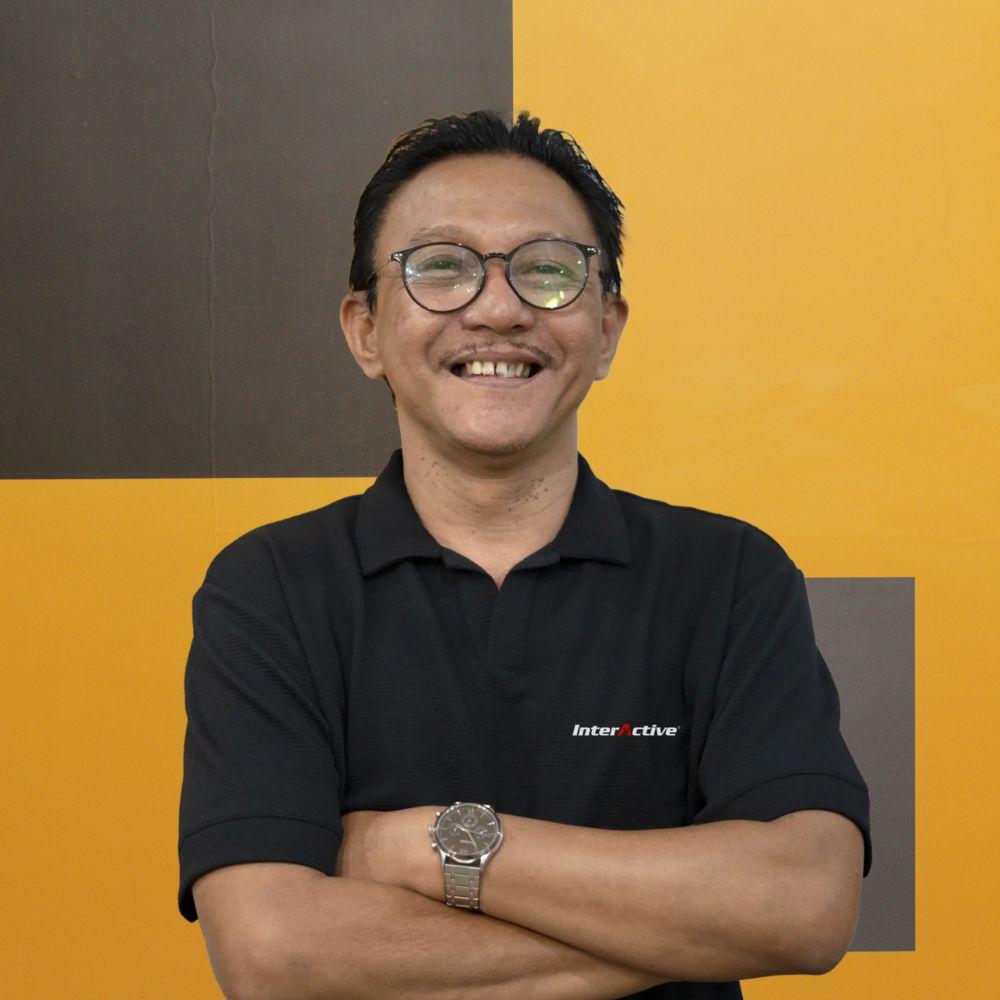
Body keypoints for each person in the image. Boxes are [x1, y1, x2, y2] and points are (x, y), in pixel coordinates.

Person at [178, 110, 870, 1000]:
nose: (499, 309)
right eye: (441, 268)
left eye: (548, 270)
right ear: (365, 330)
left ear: (607, 328)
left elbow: (803, 903)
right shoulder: (270, 587)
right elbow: (278, 956)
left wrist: (422, 844)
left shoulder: (729, 574)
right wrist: (686, 928)